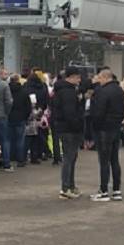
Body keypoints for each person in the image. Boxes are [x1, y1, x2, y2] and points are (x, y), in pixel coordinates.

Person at [88, 69, 124, 203]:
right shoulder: (120, 91)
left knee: (104, 161)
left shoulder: (102, 92)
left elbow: (98, 112)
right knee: (114, 160)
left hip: (103, 129)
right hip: (116, 127)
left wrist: (95, 126)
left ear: (105, 77)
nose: (98, 80)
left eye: (99, 77)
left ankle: (103, 191)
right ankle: (117, 190)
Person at [51, 67, 84, 199]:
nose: (79, 80)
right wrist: (77, 125)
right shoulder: (69, 92)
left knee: (71, 158)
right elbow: (70, 113)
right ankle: (65, 188)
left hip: (63, 127)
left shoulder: (60, 90)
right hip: (70, 129)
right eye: (78, 77)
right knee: (69, 158)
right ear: (71, 77)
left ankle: (70, 186)